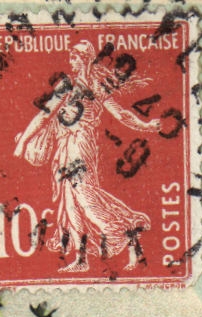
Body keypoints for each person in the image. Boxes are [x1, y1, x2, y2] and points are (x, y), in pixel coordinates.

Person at [13, 42, 167, 271]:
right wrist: (23, 141)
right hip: (64, 147)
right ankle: (81, 259)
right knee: (70, 204)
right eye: (71, 57)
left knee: (86, 198)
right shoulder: (66, 85)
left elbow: (121, 113)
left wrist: (145, 126)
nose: (71, 62)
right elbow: (44, 115)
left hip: (82, 146)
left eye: (75, 57)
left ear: (86, 59)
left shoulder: (97, 87)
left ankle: (125, 232)